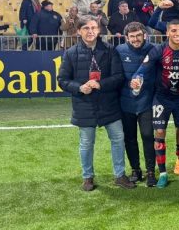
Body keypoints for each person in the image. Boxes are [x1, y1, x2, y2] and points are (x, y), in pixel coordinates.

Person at [57, 15, 135, 191]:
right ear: (79, 31)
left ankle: (120, 175)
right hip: (84, 105)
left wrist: (100, 84)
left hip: (109, 104)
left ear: (99, 29)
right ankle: (87, 177)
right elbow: (62, 80)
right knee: (86, 143)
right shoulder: (70, 53)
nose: (90, 31)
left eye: (93, 28)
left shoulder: (109, 50)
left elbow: (118, 77)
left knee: (118, 139)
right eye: (86, 28)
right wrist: (79, 87)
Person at [132, 19, 179, 188]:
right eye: (173, 31)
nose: (177, 34)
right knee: (159, 132)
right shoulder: (158, 50)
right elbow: (142, 70)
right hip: (162, 97)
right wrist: (136, 80)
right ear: (167, 32)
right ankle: (163, 173)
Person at [116, 22, 157, 186]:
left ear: (144, 35)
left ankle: (151, 171)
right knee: (130, 138)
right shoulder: (119, 51)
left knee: (148, 136)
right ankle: (136, 170)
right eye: (132, 36)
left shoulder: (153, 49)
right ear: (126, 38)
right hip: (126, 103)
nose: (135, 39)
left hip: (147, 101)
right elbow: (116, 74)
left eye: (138, 35)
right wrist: (128, 85)